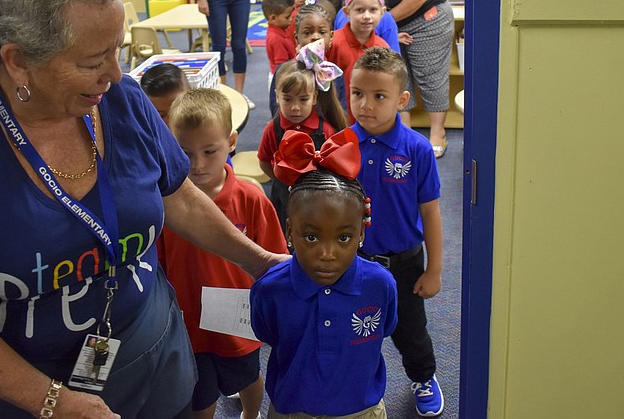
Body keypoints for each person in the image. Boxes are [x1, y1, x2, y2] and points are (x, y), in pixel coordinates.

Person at [0, 0, 285, 419]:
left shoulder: (123, 99)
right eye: (93, 62)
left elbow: (177, 196)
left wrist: (259, 261)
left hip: (153, 354)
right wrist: (55, 403)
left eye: (116, 49)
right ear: (17, 61)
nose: (115, 73)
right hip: (33, 389)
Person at [159, 88, 288, 419]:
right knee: (200, 397)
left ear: (231, 142)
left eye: (209, 151)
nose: (197, 164)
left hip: (238, 323)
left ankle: (249, 415)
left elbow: (274, 259)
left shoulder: (251, 199)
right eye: (185, 153)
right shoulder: (165, 206)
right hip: (189, 324)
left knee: (248, 379)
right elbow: (158, 266)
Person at [251, 129, 397, 419]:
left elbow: (386, 327)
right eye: (311, 237)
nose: (327, 253)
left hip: (363, 412)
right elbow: (268, 334)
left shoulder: (380, 285)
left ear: (361, 234)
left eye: (343, 238)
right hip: (292, 411)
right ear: (290, 231)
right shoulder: (270, 289)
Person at [349, 47, 444, 418]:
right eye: (357, 93)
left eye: (379, 96)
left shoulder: (417, 149)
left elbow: (431, 213)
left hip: (404, 262)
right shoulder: (341, 145)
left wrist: (434, 270)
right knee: (355, 328)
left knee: (411, 332)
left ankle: (424, 378)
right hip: (354, 261)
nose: (365, 105)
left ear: (402, 100)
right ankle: (356, 385)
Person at [328, 0, 454, 157]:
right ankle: (404, 134)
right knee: (396, 78)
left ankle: (438, 133)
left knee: (429, 77)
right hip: (390, 25)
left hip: (427, 18)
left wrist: (377, 22)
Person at [259, 40, 347, 230]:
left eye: (303, 99)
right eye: (287, 99)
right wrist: (280, 178)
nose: (295, 107)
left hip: (319, 201)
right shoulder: (273, 129)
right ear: (277, 96)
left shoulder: (326, 131)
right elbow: (264, 161)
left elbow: (336, 168)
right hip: (284, 199)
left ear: (314, 97)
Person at [329, 0, 391, 121]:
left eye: (373, 10)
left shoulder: (382, 47)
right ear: (347, 12)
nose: (367, 16)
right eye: (360, 10)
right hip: (336, 115)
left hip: (369, 115)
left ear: (382, 12)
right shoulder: (332, 42)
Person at [267, 0, 341, 116]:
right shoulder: (283, 71)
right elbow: (275, 108)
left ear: (331, 37)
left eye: (322, 32)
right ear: (296, 38)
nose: (315, 37)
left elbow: (340, 109)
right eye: (307, 33)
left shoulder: (333, 72)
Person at [263, 0, 296, 74]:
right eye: (287, 17)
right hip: (283, 76)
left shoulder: (281, 29)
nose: (291, 19)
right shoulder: (276, 39)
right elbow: (282, 67)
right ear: (274, 18)